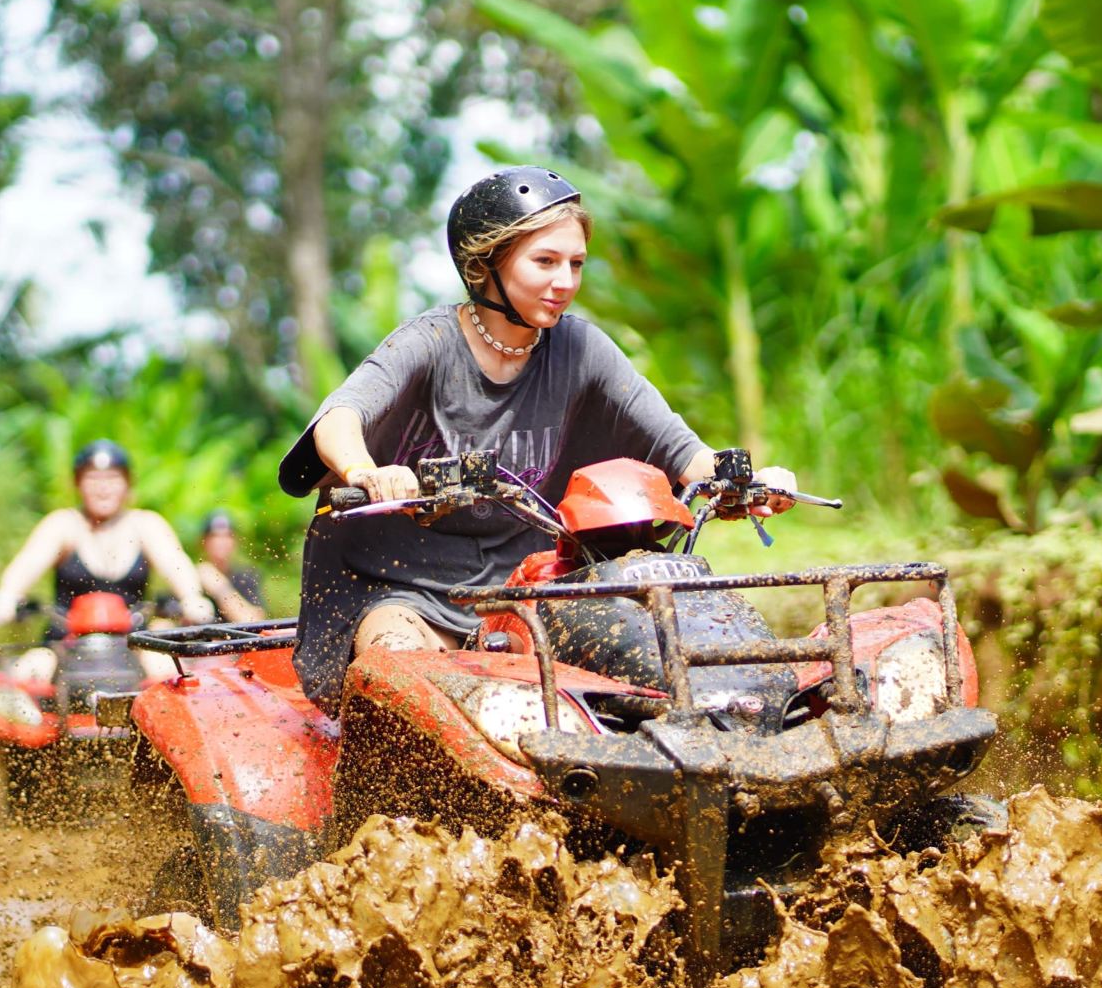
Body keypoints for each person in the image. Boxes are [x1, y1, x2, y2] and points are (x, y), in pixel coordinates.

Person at [277, 165, 795, 712]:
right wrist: (366, 472)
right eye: (544, 261)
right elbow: (338, 418)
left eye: (575, 264)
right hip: (402, 590)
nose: (565, 282)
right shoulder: (428, 342)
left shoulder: (580, 347)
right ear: (484, 265)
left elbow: (682, 452)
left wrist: (749, 484)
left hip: (528, 589)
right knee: (402, 670)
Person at [0, 440, 215, 679]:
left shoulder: (145, 525)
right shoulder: (64, 524)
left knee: (168, 672)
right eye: (93, 479)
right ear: (77, 483)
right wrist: (7, 595)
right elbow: (28, 562)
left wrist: (192, 598)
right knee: (27, 672)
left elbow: (174, 562)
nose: (103, 488)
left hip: (133, 644)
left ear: (127, 484)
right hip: (64, 644)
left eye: (113, 479)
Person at [195, 510, 267, 624]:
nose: (221, 542)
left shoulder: (245, 578)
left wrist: (219, 587)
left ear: (235, 541)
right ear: (203, 541)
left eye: (227, 536)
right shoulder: (191, 577)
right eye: (215, 536)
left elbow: (254, 622)